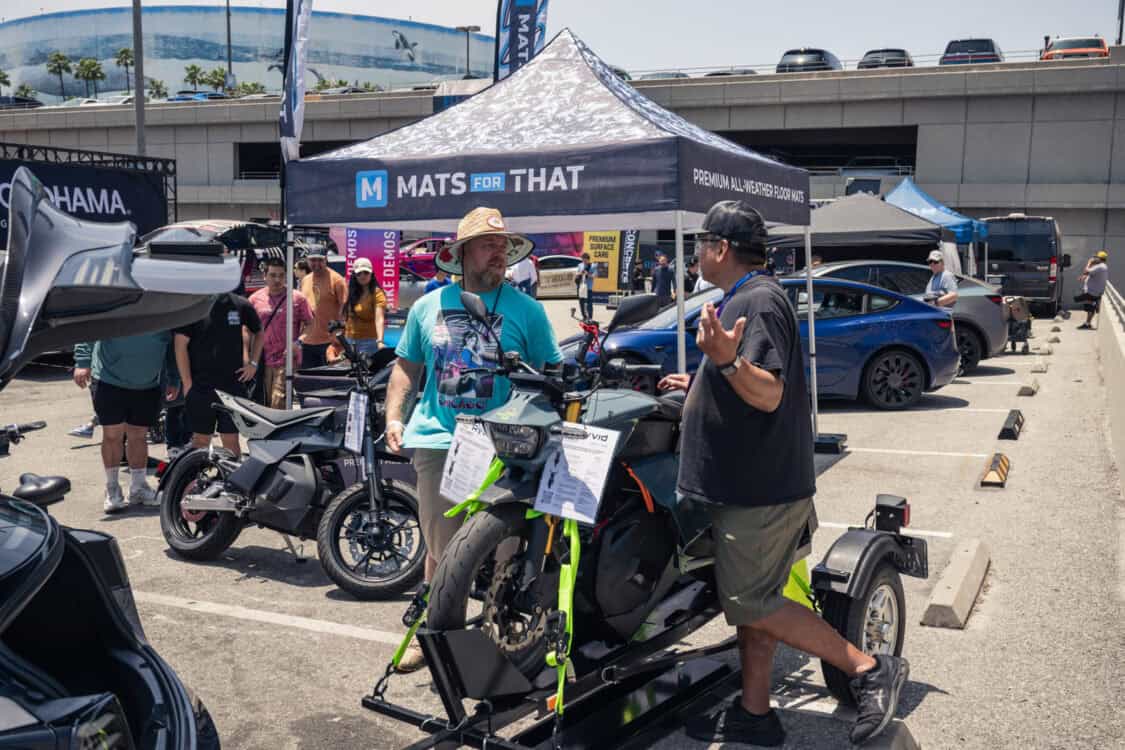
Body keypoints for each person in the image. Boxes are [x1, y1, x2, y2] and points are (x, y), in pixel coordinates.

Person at [658, 200, 908, 747]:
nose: (696, 251)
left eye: (701, 242)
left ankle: (868, 670)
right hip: (756, 486)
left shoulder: (759, 300)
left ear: (720, 249)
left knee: (752, 603)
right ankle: (755, 713)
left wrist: (725, 365)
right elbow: (751, 380)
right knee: (758, 604)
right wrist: (702, 381)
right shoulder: (748, 297)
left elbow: (767, 391)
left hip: (757, 491)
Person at [384, 206, 562, 672]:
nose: (498, 253)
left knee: (505, 549)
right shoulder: (427, 306)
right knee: (442, 550)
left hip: (506, 447)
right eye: (488, 245)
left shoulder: (528, 310)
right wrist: (394, 416)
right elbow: (406, 365)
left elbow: (553, 371)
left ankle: (498, 639)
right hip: (441, 440)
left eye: (503, 246)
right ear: (462, 253)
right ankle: (432, 635)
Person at [73, 333, 179, 512]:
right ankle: (112, 488)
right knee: (113, 435)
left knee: (138, 436)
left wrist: (174, 377)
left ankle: (138, 487)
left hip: (148, 383)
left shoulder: (162, 307)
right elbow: (92, 326)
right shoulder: (117, 304)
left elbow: (171, 346)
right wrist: (83, 362)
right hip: (109, 379)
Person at [175, 292, 263, 456]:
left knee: (231, 442)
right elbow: (180, 345)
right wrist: (187, 383)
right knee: (200, 441)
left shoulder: (240, 304)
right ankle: (195, 480)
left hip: (232, 388)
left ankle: (232, 481)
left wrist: (253, 364)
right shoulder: (193, 305)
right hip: (200, 387)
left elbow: (259, 331)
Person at [249, 257, 314, 409]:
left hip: (286, 360)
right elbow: (247, 329)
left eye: (281, 275)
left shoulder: (297, 298)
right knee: (263, 402)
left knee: (278, 401)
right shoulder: (254, 299)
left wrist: (298, 342)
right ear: (264, 276)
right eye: (273, 275)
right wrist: (248, 356)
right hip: (262, 360)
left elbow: (311, 324)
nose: (277, 280)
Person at [299, 250, 347, 368]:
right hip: (307, 342)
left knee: (327, 381)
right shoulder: (305, 280)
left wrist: (339, 338)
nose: (316, 263)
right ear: (307, 261)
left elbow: (345, 310)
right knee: (307, 382)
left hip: (328, 342)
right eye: (313, 260)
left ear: (326, 260)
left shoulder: (338, 280)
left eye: (320, 260)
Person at [344, 257, 387, 355]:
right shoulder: (350, 291)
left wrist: (380, 341)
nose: (362, 276)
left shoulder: (377, 293)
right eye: (359, 273)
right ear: (355, 276)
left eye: (366, 272)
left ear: (371, 274)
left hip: (368, 342)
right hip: (349, 340)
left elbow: (379, 318)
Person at [1076, 251, 1109, 329]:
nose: (1094, 258)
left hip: (1093, 292)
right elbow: (1090, 273)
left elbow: (1086, 270)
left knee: (1078, 299)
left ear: (1099, 258)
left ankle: (1087, 323)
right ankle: (1087, 323)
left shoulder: (1100, 266)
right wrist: (1084, 276)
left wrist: (1089, 262)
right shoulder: (1101, 266)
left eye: (1096, 257)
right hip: (1093, 291)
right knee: (1089, 306)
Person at [575, 252, 596, 320]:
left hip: (588, 287)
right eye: (582, 259)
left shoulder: (593, 266)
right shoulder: (580, 265)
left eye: (585, 259)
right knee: (581, 302)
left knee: (589, 302)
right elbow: (577, 274)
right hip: (581, 286)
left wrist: (587, 274)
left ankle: (590, 317)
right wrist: (580, 273)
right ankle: (584, 316)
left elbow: (594, 276)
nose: (584, 261)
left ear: (588, 259)